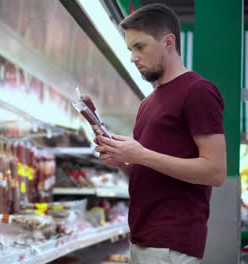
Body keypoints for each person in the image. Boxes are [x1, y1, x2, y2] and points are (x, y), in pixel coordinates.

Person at [94, 3, 226, 264]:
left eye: (140, 47)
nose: (133, 57)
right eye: (130, 49)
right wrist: (122, 162)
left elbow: (216, 172)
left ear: (168, 42)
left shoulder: (197, 91)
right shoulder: (148, 102)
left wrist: (141, 155)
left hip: (171, 243)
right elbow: (151, 171)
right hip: (143, 237)